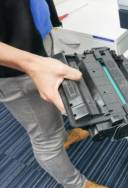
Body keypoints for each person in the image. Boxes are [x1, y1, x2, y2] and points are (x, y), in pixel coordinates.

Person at [0, 1, 107, 187]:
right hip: (14, 65)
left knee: (53, 100)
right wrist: (32, 64)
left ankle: (64, 137)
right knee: (46, 139)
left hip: (36, 36)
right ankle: (76, 184)